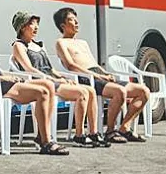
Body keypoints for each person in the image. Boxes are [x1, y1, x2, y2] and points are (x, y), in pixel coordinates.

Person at [0, 5, 69, 155]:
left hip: (3, 81)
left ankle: (42, 134)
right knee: (42, 92)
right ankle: (46, 141)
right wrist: (3, 77)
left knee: (48, 85)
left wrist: (9, 76)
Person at [11, 11, 110, 148]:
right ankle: (79, 135)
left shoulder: (39, 45)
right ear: (22, 27)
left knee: (91, 91)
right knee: (82, 93)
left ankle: (93, 133)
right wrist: (54, 80)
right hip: (40, 82)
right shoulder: (19, 46)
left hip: (51, 80)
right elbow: (29, 69)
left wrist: (62, 77)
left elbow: (50, 69)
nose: (36, 27)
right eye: (32, 24)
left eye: (37, 23)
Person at [53, 7, 150, 144]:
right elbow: (70, 65)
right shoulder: (61, 43)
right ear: (63, 25)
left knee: (143, 91)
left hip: (98, 74)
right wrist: (97, 76)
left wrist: (105, 73)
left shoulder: (83, 43)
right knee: (120, 92)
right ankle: (110, 131)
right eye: (71, 20)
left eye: (76, 19)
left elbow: (94, 63)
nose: (76, 22)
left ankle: (124, 128)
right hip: (85, 77)